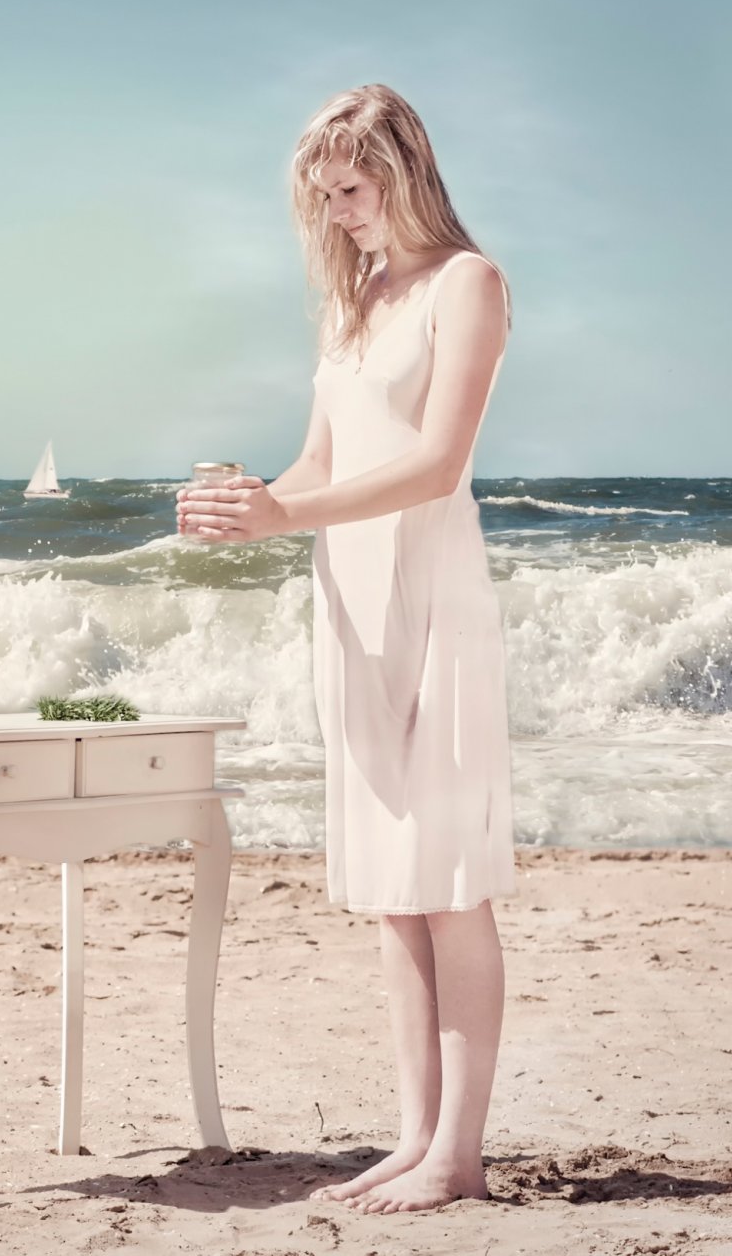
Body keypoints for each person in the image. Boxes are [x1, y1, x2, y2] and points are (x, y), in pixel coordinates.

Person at [175, 83, 517, 1215]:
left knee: (450, 879)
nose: (339, 213)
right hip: (352, 600)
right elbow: (321, 464)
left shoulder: (468, 285)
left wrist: (286, 516)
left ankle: (460, 1155)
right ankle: (415, 1135)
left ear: (404, 171)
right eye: (324, 197)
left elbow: (434, 463)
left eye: (353, 190)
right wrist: (249, 501)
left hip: (430, 593)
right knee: (390, 884)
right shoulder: (352, 305)